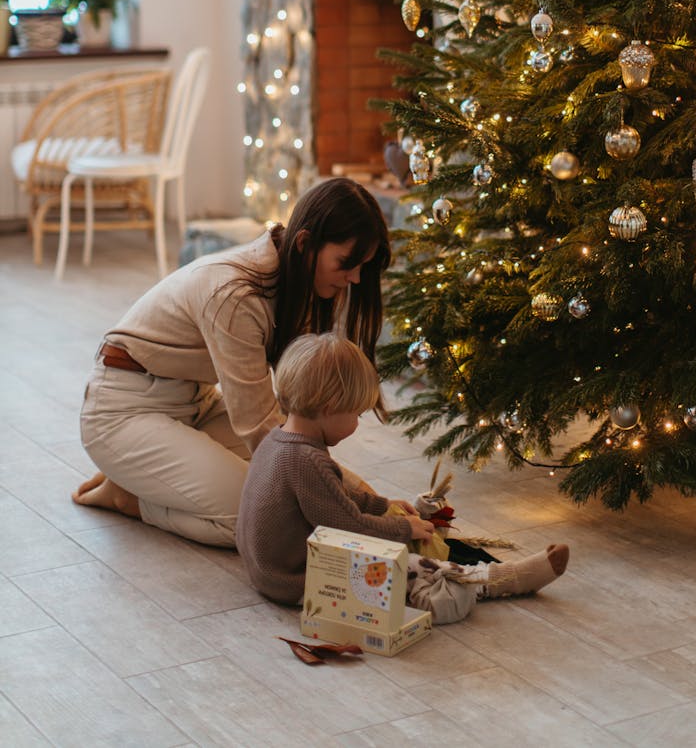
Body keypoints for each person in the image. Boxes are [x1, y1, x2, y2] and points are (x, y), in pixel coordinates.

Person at [72, 177, 390, 547]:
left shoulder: (303, 284)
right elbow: (264, 430)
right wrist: (353, 501)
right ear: (305, 243)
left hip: (195, 406)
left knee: (293, 499)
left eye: (362, 266)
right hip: (123, 411)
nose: (355, 278)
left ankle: (147, 478)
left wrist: (366, 503)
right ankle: (131, 499)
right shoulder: (236, 296)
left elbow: (297, 427)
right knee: (267, 522)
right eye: (347, 263)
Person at [236, 333, 570, 624]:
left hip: (268, 572)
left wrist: (383, 505)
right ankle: (501, 579)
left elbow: (332, 498)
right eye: (356, 414)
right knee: (411, 565)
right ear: (329, 406)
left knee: (392, 537)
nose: (356, 424)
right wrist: (403, 529)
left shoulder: (279, 440)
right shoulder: (306, 459)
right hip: (297, 579)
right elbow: (347, 527)